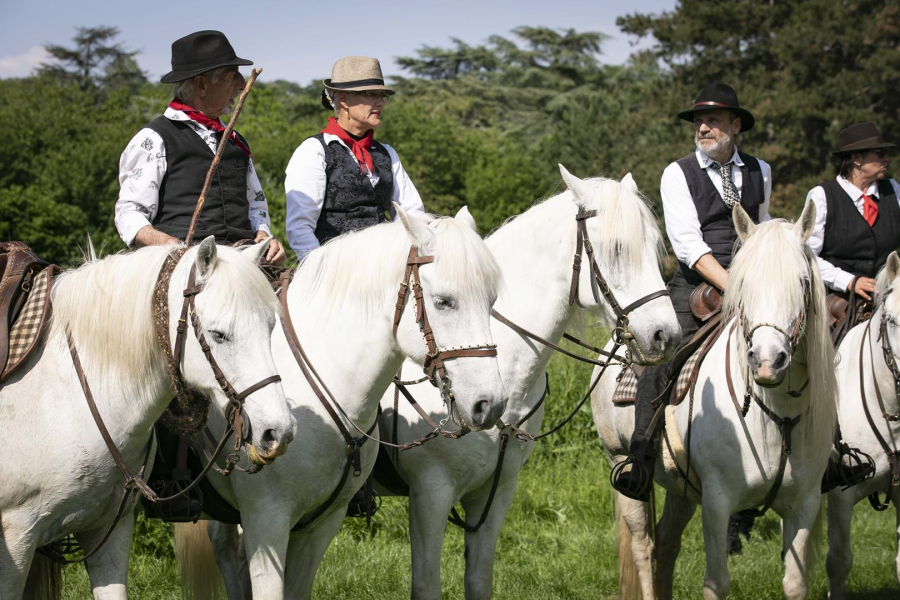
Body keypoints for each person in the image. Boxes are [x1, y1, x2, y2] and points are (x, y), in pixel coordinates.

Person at [609, 83, 772, 554]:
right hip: (694, 286)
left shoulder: (760, 170)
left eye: (715, 120)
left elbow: (759, 230)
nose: (703, 127)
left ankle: (817, 456)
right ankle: (639, 459)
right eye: (699, 121)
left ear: (736, 125)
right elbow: (687, 244)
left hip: (749, 283)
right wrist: (734, 285)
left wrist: (759, 282)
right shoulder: (677, 173)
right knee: (662, 354)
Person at [114, 30, 285, 264]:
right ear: (202, 84)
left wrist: (264, 235)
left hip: (243, 262)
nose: (240, 84)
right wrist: (165, 243)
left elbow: (256, 205)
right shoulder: (154, 139)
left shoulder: (236, 141)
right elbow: (129, 212)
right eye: (231, 75)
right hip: (185, 268)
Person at [806, 122, 898, 491]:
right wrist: (849, 281)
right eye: (879, 153)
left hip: (890, 296)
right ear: (856, 159)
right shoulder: (823, 196)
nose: (886, 158)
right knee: (820, 359)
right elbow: (808, 253)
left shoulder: (893, 191)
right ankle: (823, 445)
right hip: (838, 297)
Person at [284, 55, 424, 260]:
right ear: (343, 99)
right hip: (337, 272)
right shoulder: (314, 151)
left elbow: (413, 215)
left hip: (385, 267)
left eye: (382, 96)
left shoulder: (386, 153)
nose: (380, 103)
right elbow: (300, 227)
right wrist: (319, 271)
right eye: (370, 94)